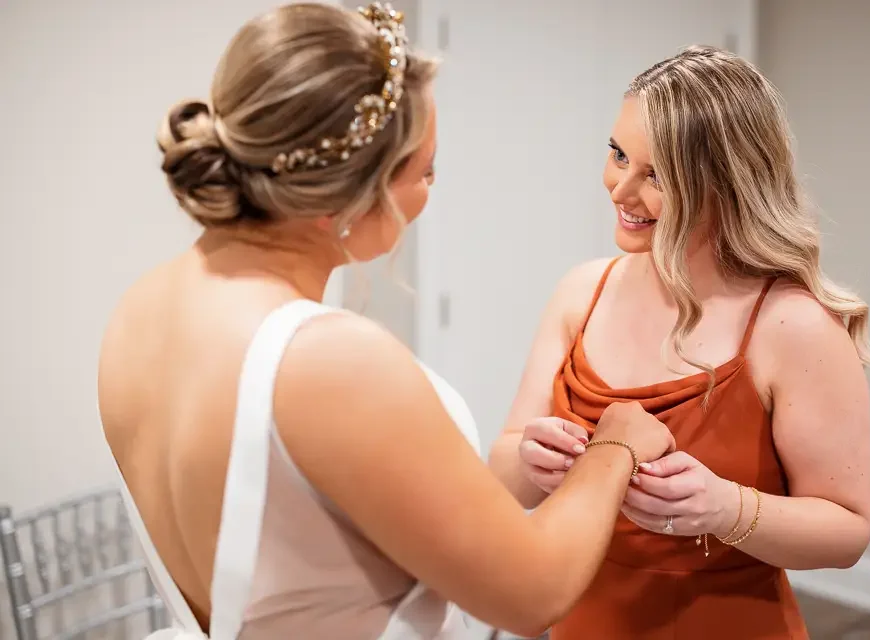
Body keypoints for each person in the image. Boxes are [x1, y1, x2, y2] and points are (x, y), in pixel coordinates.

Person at [97, 3, 678, 640]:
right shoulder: (326, 360)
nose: (431, 189)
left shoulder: (143, 308)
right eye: (424, 170)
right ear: (341, 200)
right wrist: (615, 446)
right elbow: (534, 591)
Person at [488, 45, 870, 639]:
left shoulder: (792, 327)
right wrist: (529, 462)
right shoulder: (580, 292)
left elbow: (848, 531)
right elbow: (502, 476)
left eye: (657, 176)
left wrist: (725, 508)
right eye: (619, 154)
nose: (620, 190)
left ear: (729, 185)